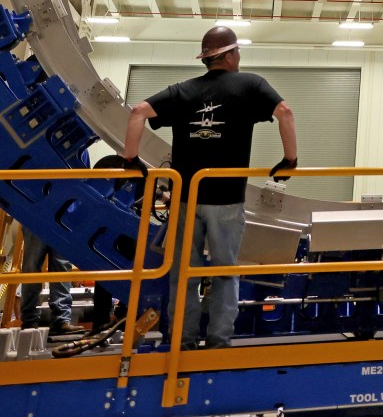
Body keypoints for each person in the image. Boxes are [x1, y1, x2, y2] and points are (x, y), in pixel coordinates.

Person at [123, 24, 296, 350]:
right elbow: (285, 112)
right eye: (237, 52)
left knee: (183, 275)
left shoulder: (183, 91)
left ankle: (183, 342)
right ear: (229, 56)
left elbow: (138, 111)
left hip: (187, 198)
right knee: (225, 273)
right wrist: (290, 160)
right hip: (227, 200)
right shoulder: (251, 85)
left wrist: (130, 159)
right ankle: (218, 342)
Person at [16, 233, 75, 332]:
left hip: (59, 221)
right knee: (32, 267)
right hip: (36, 220)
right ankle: (29, 320)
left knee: (61, 266)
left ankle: (61, 320)